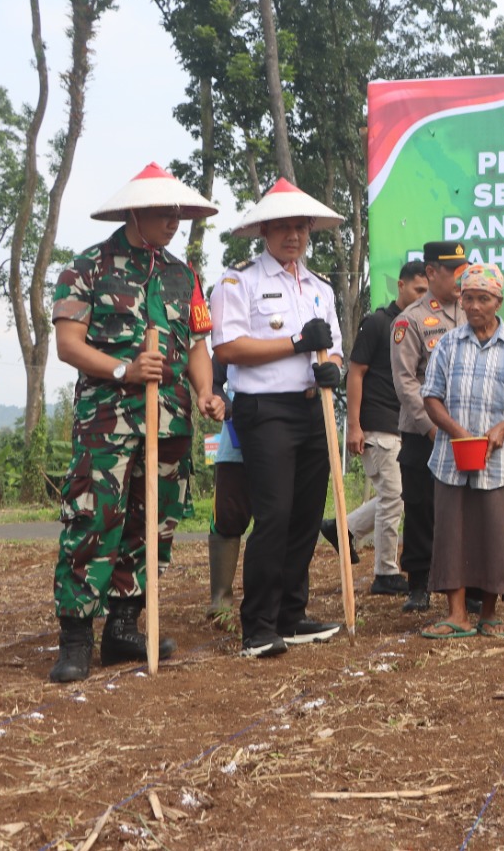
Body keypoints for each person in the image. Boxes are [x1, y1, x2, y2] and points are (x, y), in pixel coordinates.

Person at [48, 164, 225, 682]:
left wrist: (206, 391)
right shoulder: (88, 268)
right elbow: (67, 344)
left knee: (152, 522)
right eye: (163, 213)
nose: (173, 221)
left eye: (178, 213)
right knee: (94, 517)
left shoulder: (183, 275)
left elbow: (196, 346)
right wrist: (124, 369)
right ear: (134, 212)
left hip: (169, 422)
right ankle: (76, 636)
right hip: (107, 419)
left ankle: (124, 627)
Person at [211, 179, 348, 659]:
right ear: (264, 231)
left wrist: (331, 363)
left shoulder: (320, 287)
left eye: (301, 227)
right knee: (274, 515)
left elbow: (332, 348)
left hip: (314, 407)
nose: (293, 236)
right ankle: (259, 625)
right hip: (265, 410)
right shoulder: (239, 280)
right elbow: (227, 348)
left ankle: (291, 614)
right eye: (283, 227)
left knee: (307, 516)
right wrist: (294, 343)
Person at [418, 263, 504, 639]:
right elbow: (431, 396)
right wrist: (455, 432)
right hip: (451, 459)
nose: (474, 306)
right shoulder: (448, 345)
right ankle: (456, 614)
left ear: (498, 301)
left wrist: (502, 429)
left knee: (494, 532)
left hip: (501, 462)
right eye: (468, 298)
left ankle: (489, 614)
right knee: (451, 533)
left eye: (483, 299)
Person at [321, 259, 428, 595]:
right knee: (394, 496)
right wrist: (353, 426)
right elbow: (355, 372)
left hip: (408, 424)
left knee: (396, 496)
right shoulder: (378, 323)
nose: (422, 296)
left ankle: (343, 529)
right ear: (401, 285)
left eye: (427, 291)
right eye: (417, 289)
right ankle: (385, 572)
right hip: (378, 424)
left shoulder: (423, 325)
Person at [390, 241, 469, 614]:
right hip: (425, 433)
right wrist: (432, 427)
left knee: (465, 505)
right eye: (454, 271)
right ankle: (418, 583)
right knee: (421, 506)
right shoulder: (411, 320)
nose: (461, 278)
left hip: (467, 428)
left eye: (464, 268)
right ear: (431, 273)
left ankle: (466, 579)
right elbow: (406, 382)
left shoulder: (474, 310)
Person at [205, 356, 246, 618]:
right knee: (228, 516)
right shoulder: (229, 339)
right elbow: (212, 383)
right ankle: (221, 602)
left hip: (281, 442)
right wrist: (229, 409)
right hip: (235, 446)